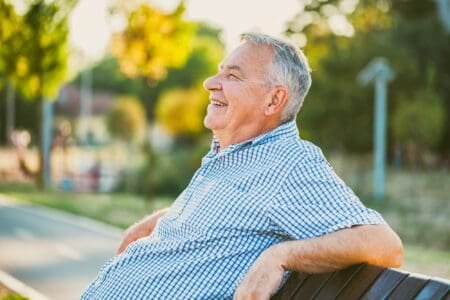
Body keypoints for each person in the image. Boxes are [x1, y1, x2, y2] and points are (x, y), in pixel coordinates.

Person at [82, 32, 403, 299]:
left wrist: (280, 256)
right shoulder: (230, 156)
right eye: (219, 71)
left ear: (274, 100)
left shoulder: (287, 162)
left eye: (232, 75)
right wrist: (161, 220)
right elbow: (236, 216)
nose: (210, 82)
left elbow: (385, 244)